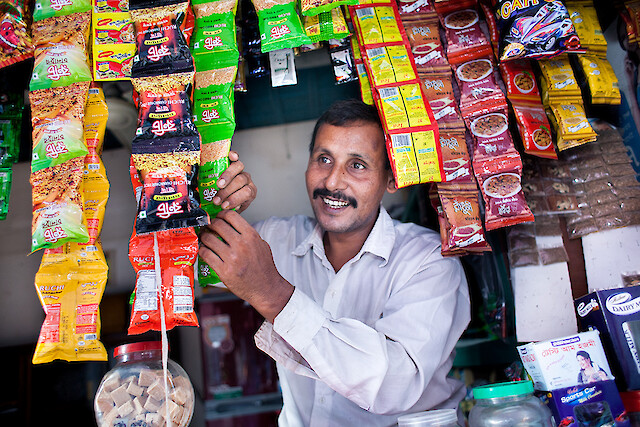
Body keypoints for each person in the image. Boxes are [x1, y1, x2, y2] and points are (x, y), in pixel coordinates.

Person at [199, 99, 471, 426]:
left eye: (357, 165)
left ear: (390, 179)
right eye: (324, 159)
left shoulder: (428, 262)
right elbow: (190, 270)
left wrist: (273, 295)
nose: (332, 182)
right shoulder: (277, 239)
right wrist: (213, 207)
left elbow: (392, 385)